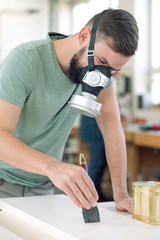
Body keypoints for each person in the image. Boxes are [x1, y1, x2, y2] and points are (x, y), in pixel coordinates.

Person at [0, 8, 138, 213]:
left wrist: (121, 194)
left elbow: (111, 126)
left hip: (42, 188)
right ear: (84, 36)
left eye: (113, 70)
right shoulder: (26, 60)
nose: (102, 76)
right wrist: (54, 167)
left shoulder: (101, 74)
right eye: (102, 62)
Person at [79, 115, 109, 202]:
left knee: (100, 162)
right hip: (95, 127)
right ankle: (90, 195)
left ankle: (94, 193)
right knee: (96, 162)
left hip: (98, 127)